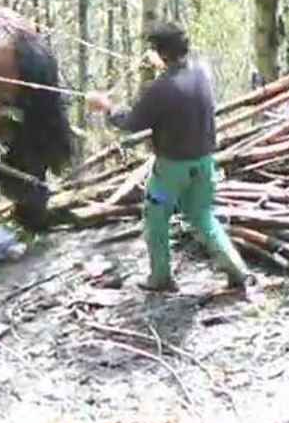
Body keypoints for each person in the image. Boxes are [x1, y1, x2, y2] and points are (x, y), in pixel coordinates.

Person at [85, 22, 255, 294]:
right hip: (204, 164)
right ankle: (238, 271)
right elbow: (177, 82)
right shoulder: (201, 72)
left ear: (161, 53)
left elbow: (132, 122)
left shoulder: (161, 89)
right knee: (203, 217)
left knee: (156, 218)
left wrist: (106, 108)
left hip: (171, 171)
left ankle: (161, 277)